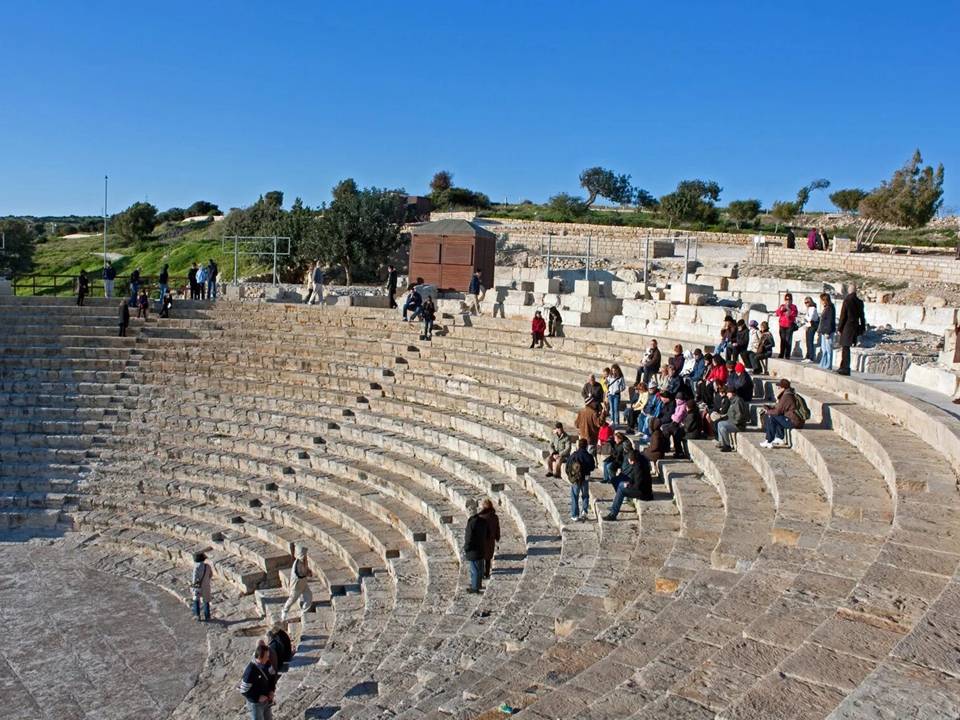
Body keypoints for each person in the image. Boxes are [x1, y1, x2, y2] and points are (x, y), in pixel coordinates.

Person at [603, 451, 653, 520]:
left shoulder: (638, 467)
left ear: (632, 460)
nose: (628, 460)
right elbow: (635, 479)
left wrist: (629, 486)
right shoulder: (639, 463)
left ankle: (613, 514)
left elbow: (638, 485)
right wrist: (629, 483)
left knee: (621, 488)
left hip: (644, 493)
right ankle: (614, 508)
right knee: (621, 484)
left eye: (629, 459)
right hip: (644, 490)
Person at [760, 378, 804, 448]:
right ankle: (779, 438)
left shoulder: (787, 396)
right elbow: (780, 408)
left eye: (779, 386)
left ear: (783, 388)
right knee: (775, 416)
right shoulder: (788, 393)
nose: (778, 388)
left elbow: (777, 411)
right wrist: (769, 407)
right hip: (793, 419)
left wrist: (768, 411)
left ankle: (769, 441)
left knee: (771, 416)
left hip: (793, 421)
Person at [239, 643, 276, 720]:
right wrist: (257, 698)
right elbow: (243, 690)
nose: (268, 658)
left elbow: (272, 676)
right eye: (266, 657)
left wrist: (272, 690)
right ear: (259, 657)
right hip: (256, 705)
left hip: (266, 700)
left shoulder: (267, 663)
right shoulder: (250, 672)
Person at [280, 545, 313, 628]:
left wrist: (308, 571)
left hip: (303, 583)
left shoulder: (304, 561)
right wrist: (308, 573)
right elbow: (300, 574)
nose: (304, 556)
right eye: (303, 555)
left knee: (309, 596)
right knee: (292, 600)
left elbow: (306, 569)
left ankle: (304, 612)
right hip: (297, 586)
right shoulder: (297, 564)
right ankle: (284, 612)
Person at [837, 286, 866, 376]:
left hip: (847, 327)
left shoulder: (847, 301)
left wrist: (839, 328)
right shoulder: (859, 302)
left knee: (845, 347)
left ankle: (845, 368)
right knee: (846, 347)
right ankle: (843, 367)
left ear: (849, 291)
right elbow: (862, 316)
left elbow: (843, 316)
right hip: (855, 327)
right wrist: (863, 327)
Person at [463, 499, 489, 593]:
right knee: (480, 568)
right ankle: (477, 584)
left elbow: (469, 538)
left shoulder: (471, 523)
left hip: (473, 550)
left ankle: (475, 588)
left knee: (474, 570)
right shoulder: (482, 521)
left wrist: (466, 548)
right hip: (481, 548)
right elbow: (487, 533)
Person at [566, 439, 595, 522]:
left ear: (578, 446)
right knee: (585, 495)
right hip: (585, 477)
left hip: (576, 479)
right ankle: (584, 512)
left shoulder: (574, 455)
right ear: (586, 446)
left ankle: (575, 515)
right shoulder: (589, 456)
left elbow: (567, 466)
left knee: (575, 496)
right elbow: (592, 467)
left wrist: (571, 476)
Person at [715, 386, 749, 452]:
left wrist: (734, 422)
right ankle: (722, 442)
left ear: (732, 393)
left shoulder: (738, 401)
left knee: (723, 427)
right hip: (732, 421)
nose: (727, 394)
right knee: (719, 423)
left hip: (738, 425)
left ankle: (727, 445)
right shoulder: (732, 401)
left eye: (728, 393)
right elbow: (730, 413)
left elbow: (740, 415)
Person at [478, 498, 500, 580]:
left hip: (482, 540)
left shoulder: (480, 517)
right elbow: (497, 528)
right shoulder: (495, 517)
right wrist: (497, 537)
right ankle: (486, 573)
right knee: (488, 558)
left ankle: (480, 574)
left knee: (481, 557)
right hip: (491, 540)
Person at [775, 293, 798, 359]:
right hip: (782, 325)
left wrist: (788, 309)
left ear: (791, 300)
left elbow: (793, 315)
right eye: (786, 299)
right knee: (782, 340)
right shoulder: (782, 306)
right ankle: (781, 353)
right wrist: (782, 309)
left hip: (789, 325)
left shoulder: (794, 307)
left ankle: (787, 354)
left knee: (788, 340)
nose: (787, 301)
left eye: (789, 299)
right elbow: (777, 313)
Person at [191, 551, 212, 622]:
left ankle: (197, 615)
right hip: (206, 586)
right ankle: (207, 616)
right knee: (206, 601)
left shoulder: (196, 567)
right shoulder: (207, 566)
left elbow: (194, 578)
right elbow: (210, 575)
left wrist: (193, 586)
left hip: (198, 587)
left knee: (196, 600)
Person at [818, 293, 836, 370]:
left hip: (827, 332)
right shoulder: (827, 308)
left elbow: (829, 321)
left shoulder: (830, 308)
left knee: (828, 349)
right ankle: (824, 363)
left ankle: (828, 365)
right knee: (824, 349)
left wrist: (827, 332)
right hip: (823, 331)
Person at [800, 296, 820, 363]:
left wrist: (805, 317)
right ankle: (808, 356)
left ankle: (811, 357)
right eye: (805, 302)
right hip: (809, 326)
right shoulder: (809, 309)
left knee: (810, 342)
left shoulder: (813, 308)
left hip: (812, 326)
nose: (806, 304)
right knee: (808, 342)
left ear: (810, 302)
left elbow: (810, 318)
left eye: (807, 302)